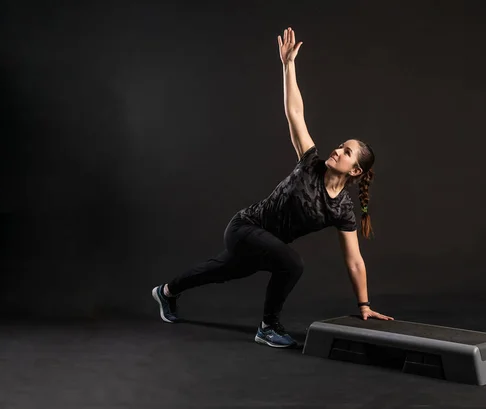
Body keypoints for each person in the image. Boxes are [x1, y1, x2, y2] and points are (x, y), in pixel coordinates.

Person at [152, 27, 393, 349]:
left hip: (267, 244)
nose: (337, 150)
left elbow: (354, 260)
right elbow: (295, 113)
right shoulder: (310, 162)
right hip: (246, 227)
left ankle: (166, 291)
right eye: (340, 145)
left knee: (221, 271)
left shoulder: (343, 209)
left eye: (346, 152)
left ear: (356, 170)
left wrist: (364, 306)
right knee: (292, 264)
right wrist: (288, 65)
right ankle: (268, 326)